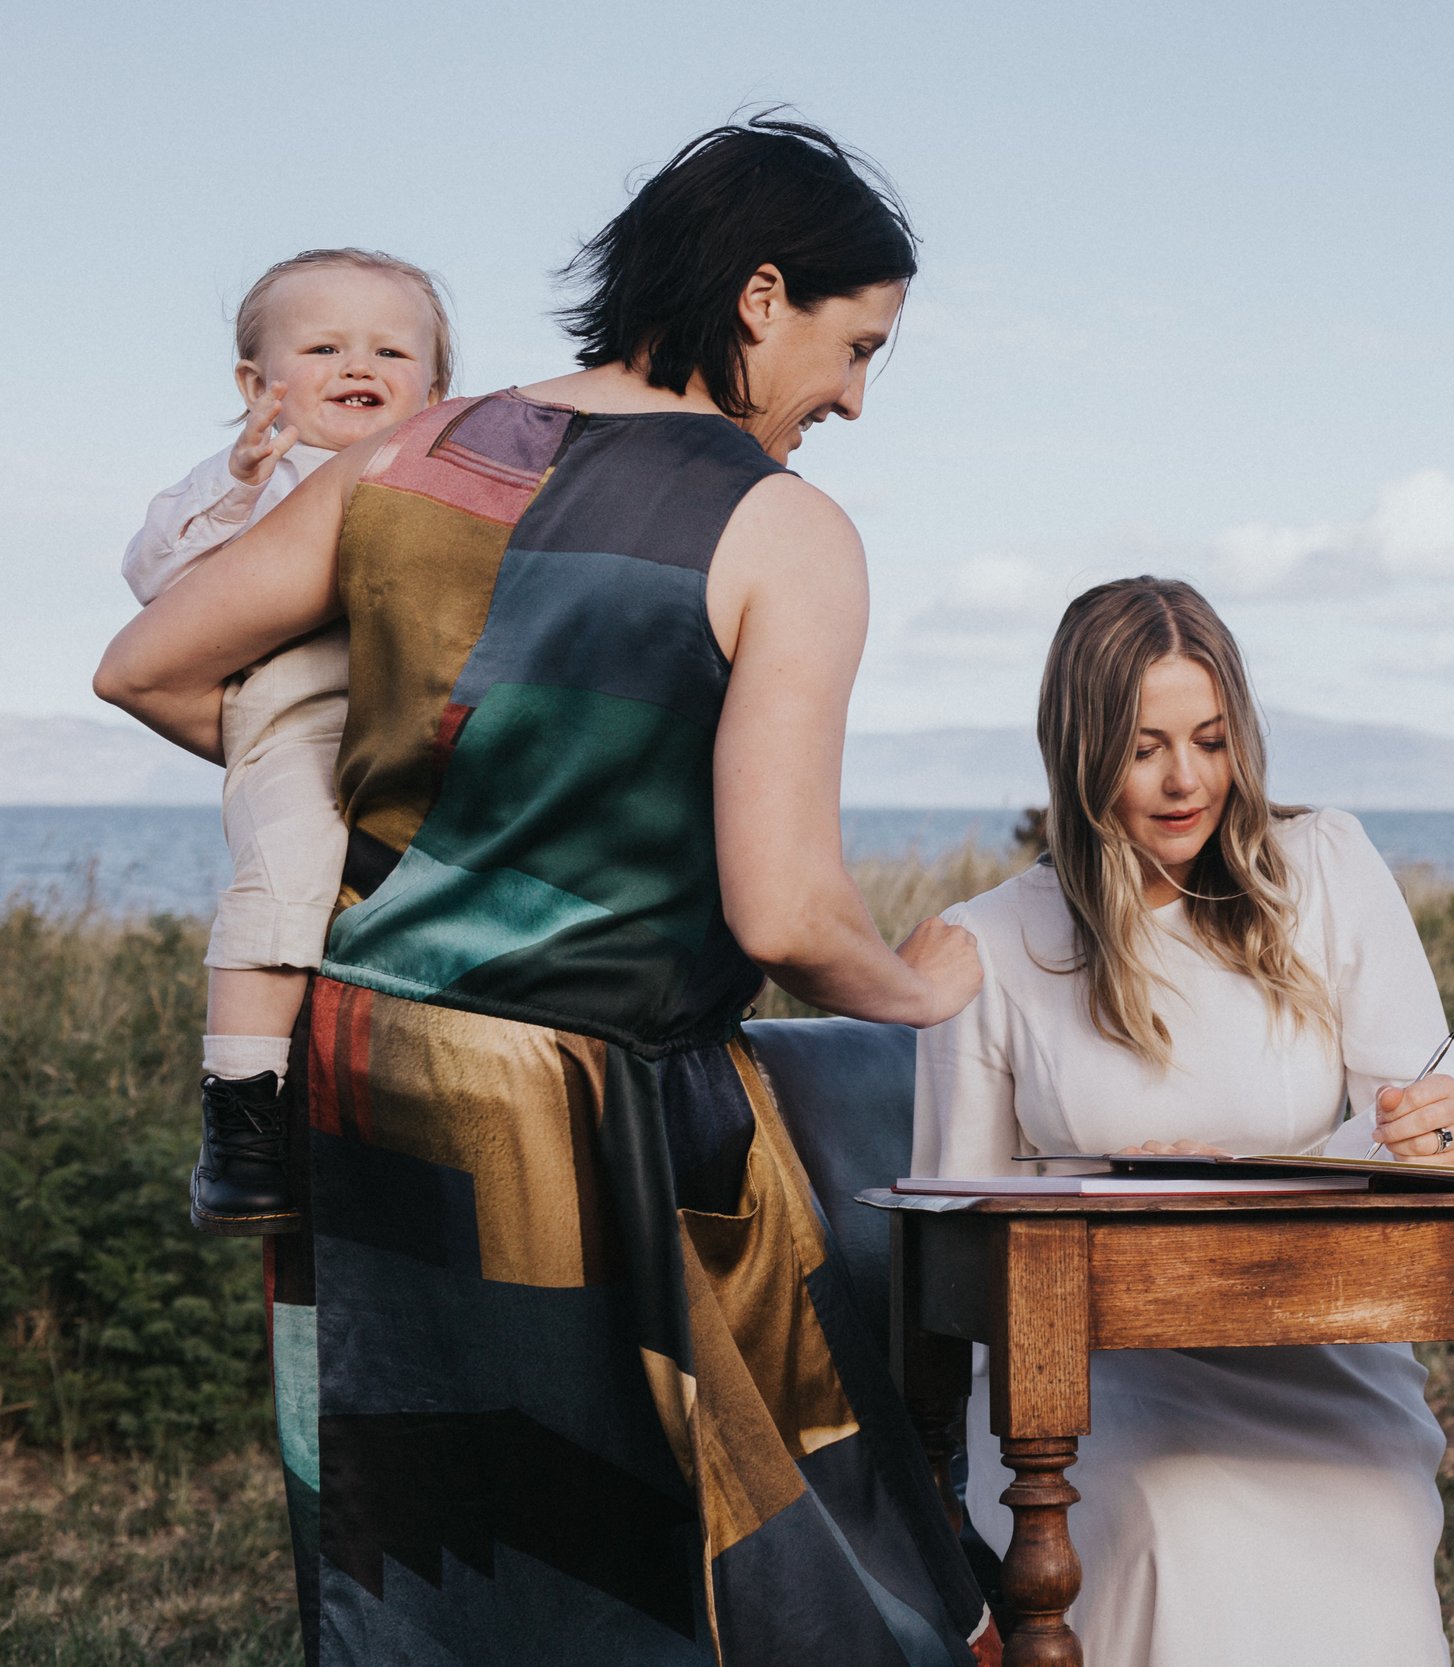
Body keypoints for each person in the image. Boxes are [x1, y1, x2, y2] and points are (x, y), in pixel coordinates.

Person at [95, 118, 1001, 1666]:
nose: (853, 393)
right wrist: (923, 986)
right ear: (762, 294)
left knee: (421, 1560)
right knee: (699, 1567)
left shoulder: (427, 449)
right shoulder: (782, 525)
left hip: (362, 1070)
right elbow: (782, 911)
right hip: (589, 1113)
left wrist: (375, 843)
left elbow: (148, 662)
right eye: (858, 347)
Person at [914, 577, 1454, 1667]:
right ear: (1078, 752)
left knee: (1369, 1509)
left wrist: (1422, 1133)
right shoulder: (987, 945)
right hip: (1084, 1386)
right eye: (1144, 747)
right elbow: (948, 1254)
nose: (1185, 781)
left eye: (1211, 740)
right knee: (1182, 1515)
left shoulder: (1324, 869)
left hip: (1318, 1347)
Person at [121, 248, 453, 1234]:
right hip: (300, 713)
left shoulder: (436, 480)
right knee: (288, 868)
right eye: (323, 345)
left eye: (392, 349)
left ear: (438, 391)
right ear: (256, 386)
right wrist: (235, 483)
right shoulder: (256, 474)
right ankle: (242, 1113)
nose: (360, 363)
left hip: (425, 710)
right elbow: (153, 578)